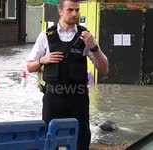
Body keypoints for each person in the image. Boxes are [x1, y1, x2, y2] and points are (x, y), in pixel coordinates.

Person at [26, 0, 109, 149]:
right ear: (60, 11)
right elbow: (29, 67)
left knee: (81, 140)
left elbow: (104, 69)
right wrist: (43, 60)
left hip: (78, 98)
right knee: (49, 139)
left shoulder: (86, 36)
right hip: (53, 98)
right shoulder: (46, 35)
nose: (74, 14)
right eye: (70, 10)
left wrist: (93, 47)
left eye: (77, 10)